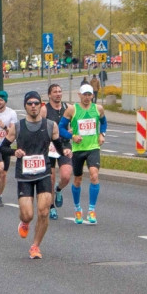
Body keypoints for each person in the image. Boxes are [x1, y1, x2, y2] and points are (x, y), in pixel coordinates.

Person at [7, 91, 66, 259]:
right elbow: (2, 148)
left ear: (41, 105)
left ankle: (35, 246)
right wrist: (14, 152)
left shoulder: (50, 125)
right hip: (24, 175)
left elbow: (58, 145)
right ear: (25, 106)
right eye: (30, 103)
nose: (33, 106)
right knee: (28, 214)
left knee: (43, 211)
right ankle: (24, 222)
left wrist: (65, 151)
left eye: (36, 103)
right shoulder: (17, 127)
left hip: (43, 173)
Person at [59, 83, 107, 224]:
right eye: (84, 95)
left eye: (89, 95)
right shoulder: (72, 110)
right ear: (79, 95)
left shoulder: (98, 109)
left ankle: (91, 210)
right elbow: (61, 127)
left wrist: (102, 134)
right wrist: (72, 137)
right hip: (78, 149)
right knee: (77, 180)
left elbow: (104, 123)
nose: (87, 97)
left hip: (93, 147)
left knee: (94, 175)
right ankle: (77, 208)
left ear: (93, 95)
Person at [41, 83, 73, 219]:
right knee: (51, 178)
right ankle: (52, 206)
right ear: (49, 95)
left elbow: (75, 125)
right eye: (55, 92)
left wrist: (72, 131)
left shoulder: (68, 108)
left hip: (64, 146)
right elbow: (40, 127)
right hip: (49, 147)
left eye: (60, 91)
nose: (58, 94)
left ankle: (58, 190)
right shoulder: (45, 109)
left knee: (66, 175)